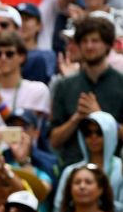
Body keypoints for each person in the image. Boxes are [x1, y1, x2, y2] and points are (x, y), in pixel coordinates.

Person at [49, 16, 123, 171]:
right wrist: (76, 118)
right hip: (73, 170)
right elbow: (54, 141)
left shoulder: (120, 83)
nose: (89, 46)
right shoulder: (64, 86)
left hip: (114, 171)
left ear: (108, 45)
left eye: (95, 41)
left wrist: (100, 116)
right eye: (84, 41)